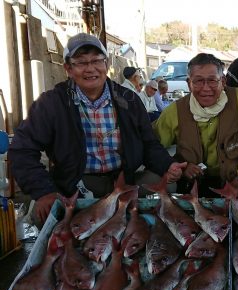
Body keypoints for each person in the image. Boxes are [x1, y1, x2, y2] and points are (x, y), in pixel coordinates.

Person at [8, 33, 186, 223]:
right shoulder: (52, 103)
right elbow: (22, 150)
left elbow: (149, 143)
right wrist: (44, 192)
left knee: (169, 185)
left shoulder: (129, 99)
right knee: (41, 216)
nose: (90, 69)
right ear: (68, 68)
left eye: (96, 61)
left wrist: (168, 165)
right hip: (76, 182)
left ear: (106, 65)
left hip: (124, 178)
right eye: (81, 63)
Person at [153, 53, 238, 201]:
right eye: (198, 81)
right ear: (188, 84)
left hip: (233, 183)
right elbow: (152, 145)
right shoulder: (175, 111)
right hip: (190, 188)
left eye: (212, 80)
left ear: (223, 81)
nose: (206, 88)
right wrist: (178, 166)